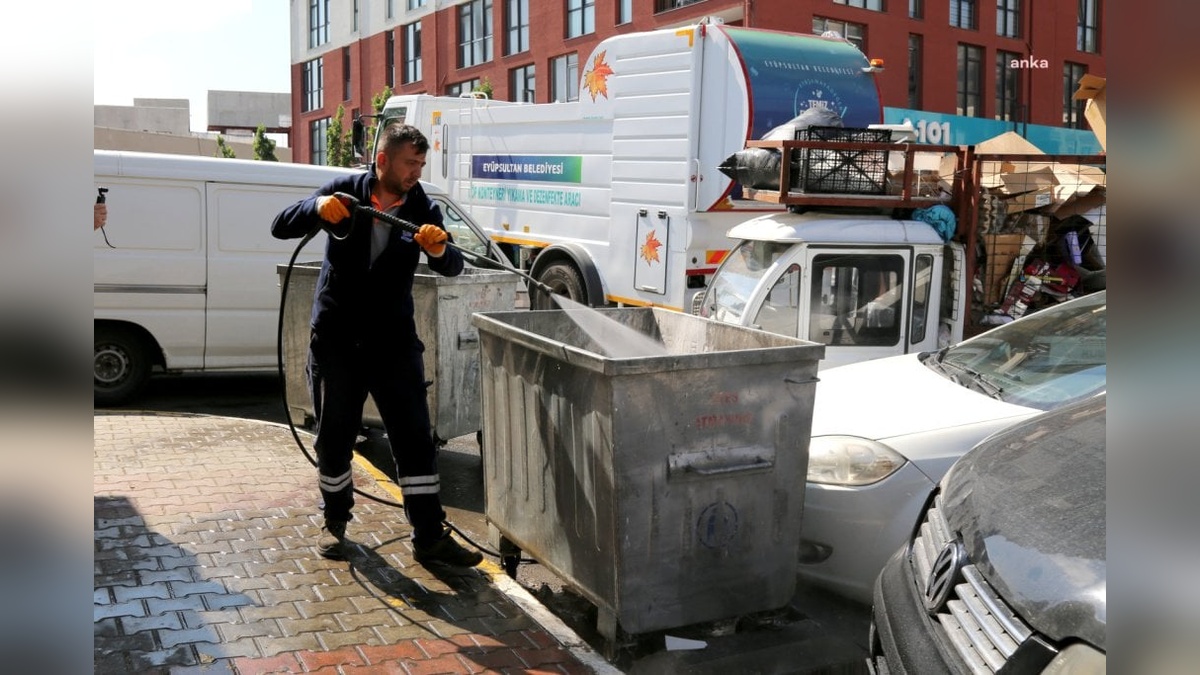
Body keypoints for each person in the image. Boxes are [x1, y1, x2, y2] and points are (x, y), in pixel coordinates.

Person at [271, 123, 482, 567]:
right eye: (410, 163)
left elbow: (453, 265)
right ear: (382, 160)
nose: (416, 172)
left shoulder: (423, 205)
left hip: (393, 343)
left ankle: (428, 536)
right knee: (333, 437)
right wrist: (315, 207)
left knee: (414, 440)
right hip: (337, 340)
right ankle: (334, 521)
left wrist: (440, 250)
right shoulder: (344, 191)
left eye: (421, 164)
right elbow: (280, 226)